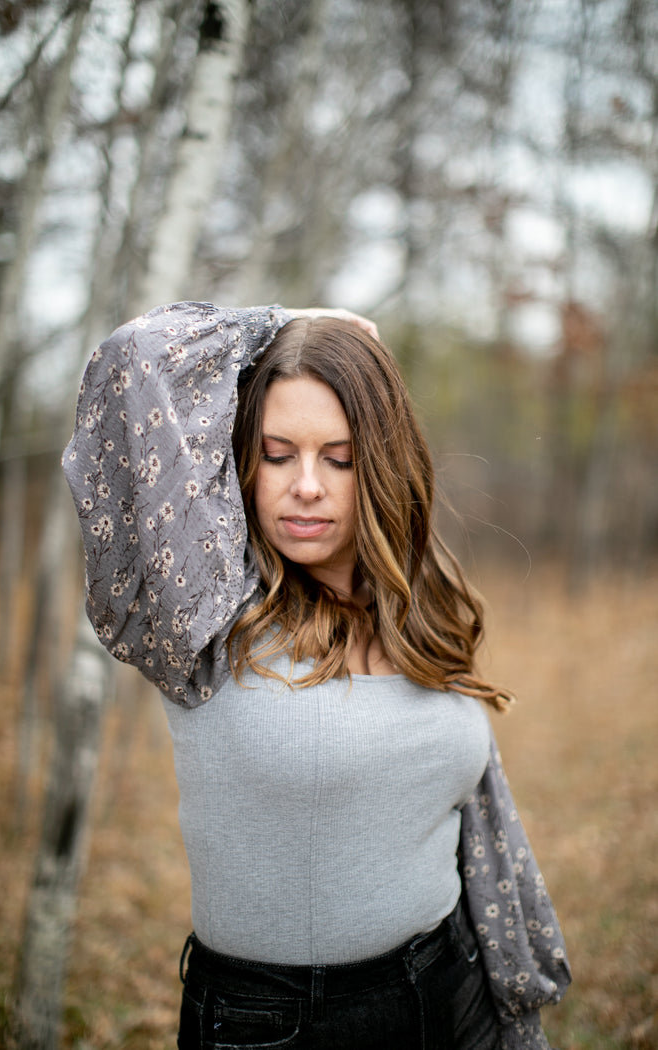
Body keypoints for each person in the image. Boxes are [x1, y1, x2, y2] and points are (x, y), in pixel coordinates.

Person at [63, 300, 570, 1050]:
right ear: (247, 463)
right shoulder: (206, 615)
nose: (306, 484)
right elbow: (134, 359)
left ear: (385, 462)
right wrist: (287, 322)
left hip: (451, 991)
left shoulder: (414, 611)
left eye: (340, 457)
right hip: (275, 1026)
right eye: (277, 454)